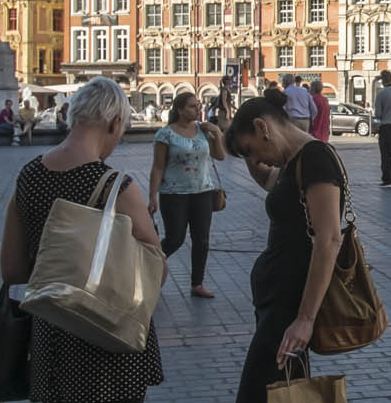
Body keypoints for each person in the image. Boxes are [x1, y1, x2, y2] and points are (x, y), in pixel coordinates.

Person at [0, 77, 165, 402]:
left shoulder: (28, 177)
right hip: (108, 336)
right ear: (115, 122)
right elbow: (156, 271)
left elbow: (12, 270)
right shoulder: (116, 187)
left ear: (73, 116)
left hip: (51, 332)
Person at [220, 90, 348, 403]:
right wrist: (235, 142)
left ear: (263, 128)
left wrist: (304, 319)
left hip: (289, 306)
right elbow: (268, 180)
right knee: (283, 393)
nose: (257, 159)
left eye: (253, 149)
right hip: (277, 302)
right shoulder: (294, 162)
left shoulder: (315, 158)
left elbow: (329, 238)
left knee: (257, 393)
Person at [149, 92, 227, 299]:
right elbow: (157, 167)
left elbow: (220, 156)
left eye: (198, 105)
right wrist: (152, 197)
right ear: (180, 109)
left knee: (202, 240)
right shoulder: (165, 134)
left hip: (203, 191)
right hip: (173, 193)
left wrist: (217, 134)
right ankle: (147, 268)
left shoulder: (203, 131)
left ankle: (197, 284)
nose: (198, 108)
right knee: (175, 239)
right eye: (193, 106)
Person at [308, 78, 331, 144]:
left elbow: (311, 115)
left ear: (313, 89)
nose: (309, 89)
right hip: (324, 133)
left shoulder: (314, 100)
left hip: (315, 132)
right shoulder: (325, 100)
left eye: (310, 87)